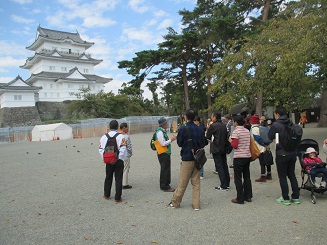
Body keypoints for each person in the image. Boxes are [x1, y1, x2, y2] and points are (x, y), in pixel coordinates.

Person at [167, 109, 207, 210]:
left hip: (187, 157)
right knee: (196, 183)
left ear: (185, 117)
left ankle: (175, 202)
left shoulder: (183, 129)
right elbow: (204, 142)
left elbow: (180, 143)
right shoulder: (199, 129)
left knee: (182, 182)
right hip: (197, 158)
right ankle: (196, 205)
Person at [268, 106, 300, 206]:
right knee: (292, 174)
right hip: (292, 152)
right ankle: (296, 197)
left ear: (277, 114)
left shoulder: (276, 124)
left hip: (281, 152)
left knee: (282, 176)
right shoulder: (291, 123)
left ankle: (285, 197)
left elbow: (270, 136)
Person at [99, 120, 127, 202]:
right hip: (118, 160)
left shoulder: (104, 137)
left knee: (108, 177)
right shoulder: (121, 136)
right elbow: (123, 148)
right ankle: (117, 197)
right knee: (118, 178)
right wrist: (119, 158)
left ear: (109, 127)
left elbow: (100, 149)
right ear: (118, 127)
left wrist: (105, 158)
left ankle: (106, 194)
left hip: (108, 160)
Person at [228, 115, 252, 204]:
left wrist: (230, 141)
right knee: (247, 176)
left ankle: (240, 198)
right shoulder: (246, 131)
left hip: (239, 156)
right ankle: (248, 196)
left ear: (236, 122)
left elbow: (235, 145)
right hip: (247, 155)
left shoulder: (236, 131)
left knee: (238, 178)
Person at [206, 111, 229, 191]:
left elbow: (208, 136)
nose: (212, 118)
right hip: (223, 147)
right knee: (224, 165)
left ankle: (223, 184)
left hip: (216, 147)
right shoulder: (224, 125)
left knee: (219, 166)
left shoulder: (213, 126)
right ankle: (227, 182)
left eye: (212, 116)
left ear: (215, 117)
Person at [155, 117, 176, 192]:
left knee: (166, 168)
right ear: (163, 124)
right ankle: (164, 185)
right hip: (163, 153)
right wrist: (171, 140)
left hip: (165, 152)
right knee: (165, 169)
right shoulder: (160, 132)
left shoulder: (162, 131)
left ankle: (166, 183)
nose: (167, 124)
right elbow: (163, 143)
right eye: (166, 123)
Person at [250, 115, 272, 182]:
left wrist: (263, 144)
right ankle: (269, 174)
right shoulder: (262, 127)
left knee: (262, 162)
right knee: (268, 161)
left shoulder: (254, 129)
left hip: (260, 147)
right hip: (266, 146)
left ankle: (263, 176)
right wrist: (267, 145)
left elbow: (257, 138)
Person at [120, 122, 133, 189]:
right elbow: (129, 147)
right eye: (127, 127)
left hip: (119, 155)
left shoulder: (118, 135)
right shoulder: (126, 136)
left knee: (120, 169)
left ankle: (120, 182)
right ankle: (125, 183)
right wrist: (130, 153)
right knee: (125, 169)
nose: (127, 128)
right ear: (124, 128)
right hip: (125, 155)